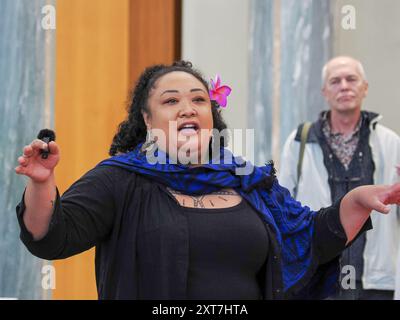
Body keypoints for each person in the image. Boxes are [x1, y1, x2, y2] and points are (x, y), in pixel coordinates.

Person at [15, 60, 400, 300]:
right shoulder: (120, 178)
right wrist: (41, 183)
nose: (188, 108)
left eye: (199, 99)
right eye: (171, 101)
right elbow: (52, 237)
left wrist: (357, 200)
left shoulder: (248, 180)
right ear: (147, 120)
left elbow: (311, 235)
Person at [279, 56, 400, 300]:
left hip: (375, 281)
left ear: (364, 87)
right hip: (317, 277)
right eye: (335, 81)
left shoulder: (390, 142)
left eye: (351, 79)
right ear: (325, 92)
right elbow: (282, 207)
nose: (344, 86)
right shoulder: (299, 141)